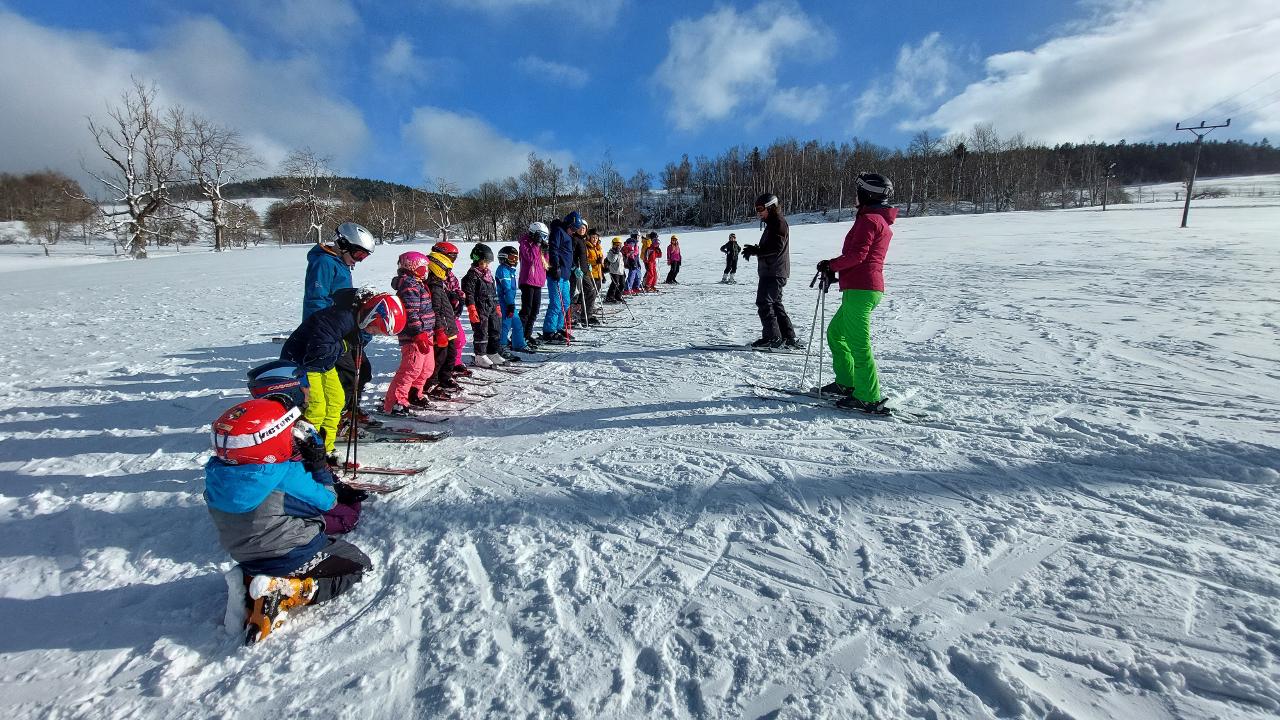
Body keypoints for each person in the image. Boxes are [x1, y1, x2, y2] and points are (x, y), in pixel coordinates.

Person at [206, 397, 374, 644]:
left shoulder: (216, 473)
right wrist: (319, 465)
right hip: (290, 552)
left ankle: (247, 580)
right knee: (359, 565)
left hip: (245, 554)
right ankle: (289, 592)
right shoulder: (284, 474)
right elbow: (328, 501)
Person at [279, 289, 405, 457]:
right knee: (316, 407)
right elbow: (319, 349)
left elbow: (349, 342)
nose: (374, 333)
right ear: (372, 316)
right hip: (304, 362)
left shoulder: (360, 320)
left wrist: (356, 340)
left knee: (337, 400)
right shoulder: (341, 317)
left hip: (325, 363)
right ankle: (306, 453)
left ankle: (325, 448)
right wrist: (345, 346)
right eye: (375, 329)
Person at [818, 173, 897, 413]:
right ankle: (846, 382)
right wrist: (837, 271)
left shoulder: (870, 220)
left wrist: (831, 265)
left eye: (858, 191)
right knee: (836, 333)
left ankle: (868, 395)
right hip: (862, 287)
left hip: (862, 289)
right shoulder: (876, 219)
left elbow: (858, 255)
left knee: (858, 344)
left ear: (867, 194)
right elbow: (862, 258)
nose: (856, 196)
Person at [303, 223, 377, 429]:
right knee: (347, 373)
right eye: (358, 254)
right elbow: (316, 300)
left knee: (363, 370)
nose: (359, 260)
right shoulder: (324, 263)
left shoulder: (340, 263)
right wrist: (324, 331)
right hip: (328, 330)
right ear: (343, 244)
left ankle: (350, 408)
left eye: (364, 257)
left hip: (344, 326)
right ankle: (336, 416)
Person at [742, 193, 798, 349]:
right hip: (774, 270)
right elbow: (772, 246)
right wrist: (756, 249)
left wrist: (757, 251)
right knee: (775, 303)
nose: (758, 212)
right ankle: (788, 336)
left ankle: (772, 337)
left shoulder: (778, 223)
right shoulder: (773, 223)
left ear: (771, 207)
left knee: (764, 302)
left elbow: (777, 247)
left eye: (761, 208)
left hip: (774, 271)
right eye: (756, 209)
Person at [383, 252, 436, 417]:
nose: (426, 271)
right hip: (414, 336)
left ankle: (413, 392)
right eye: (423, 267)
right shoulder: (409, 286)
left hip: (426, 334)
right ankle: (395, 402)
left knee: (427, 368)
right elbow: (411, 312)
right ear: (413, 267)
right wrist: (418, 334)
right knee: (411, 369)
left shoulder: (418, 283)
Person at [462, 243, 509, 368]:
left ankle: (492, 352)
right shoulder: (471, 276)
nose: (487, 265)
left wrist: (497, 305)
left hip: (491, 307)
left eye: (488, 263)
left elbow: (494, 292)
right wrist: (471, 308)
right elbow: (469, 294)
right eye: (484, 263)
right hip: (479, 308)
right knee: (481, 331)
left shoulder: (488, 275)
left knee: (495, 329)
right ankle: (480, 355)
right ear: (477, 261)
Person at [424, 250, 462, 398]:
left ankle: (445, 377)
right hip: (441, 329)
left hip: (449, 327)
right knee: (439, 357)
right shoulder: (433, 286)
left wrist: (453, 297)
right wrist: (439, 329)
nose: (448, 273)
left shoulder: (440, 285)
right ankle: (432, 382)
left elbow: (443, 304)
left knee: (451, 355)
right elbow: (435, 310)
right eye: (447, 270)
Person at [431, 241, 470, 378]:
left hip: (451, 314)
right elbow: (435, 295)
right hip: (440, 317)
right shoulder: (433, 273)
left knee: (459, 340)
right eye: (451, 256)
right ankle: (437, 372)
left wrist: (459, 296)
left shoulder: (449, 273)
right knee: (443, 345)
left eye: (454, 257)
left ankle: (454, 363)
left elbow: (455, 288)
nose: (453, 260)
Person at [542, 211, 579, 343]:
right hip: (556, 274)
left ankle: (558, 327)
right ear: (568, 223)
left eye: (575, 229)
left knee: (566, 303)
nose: (573, 231)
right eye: (573, 228)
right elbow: (553, 249)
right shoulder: (558, 231)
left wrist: (574, 267)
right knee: (556, 304)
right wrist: (556, 266)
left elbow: (568, 254)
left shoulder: (568, 235)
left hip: (565, 275)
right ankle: (549, 330)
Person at [518, 222, 549, 349]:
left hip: (538, 281)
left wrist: (546, 250)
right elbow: (531, 258)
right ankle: (518, 336)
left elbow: (545, 263)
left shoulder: (540, 245)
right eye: (541, 236)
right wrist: (536, 244)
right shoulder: (525, 243)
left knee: (535, 310)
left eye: (545, 237)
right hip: (527, 281)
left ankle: (527, 334)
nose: (543, 239)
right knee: (526, 310)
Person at [495, 245, 531, 354]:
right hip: (504, 302)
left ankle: (519, 344)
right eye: (511, 258)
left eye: (516, 258)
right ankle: (501, 346)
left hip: (510, 302)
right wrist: (510, 305)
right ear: (504, 257)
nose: (514, 261)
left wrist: (511, 304)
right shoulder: (502, 270)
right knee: (505, 324)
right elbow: (507, 289)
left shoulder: (510, 270)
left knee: (517, 323)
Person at [604, 237, 626, 303]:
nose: (618, 246)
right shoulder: (610, 252)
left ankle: (618, 296)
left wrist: (623, 270)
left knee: (622, 284)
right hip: (614, 271)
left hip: (621, 271)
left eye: (619, 244)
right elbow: (612, 260)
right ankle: (609, 297)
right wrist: (615, 253)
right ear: (613, 244)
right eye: (616, 244)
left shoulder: (620, 253)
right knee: (615, 284)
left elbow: (622, 263)